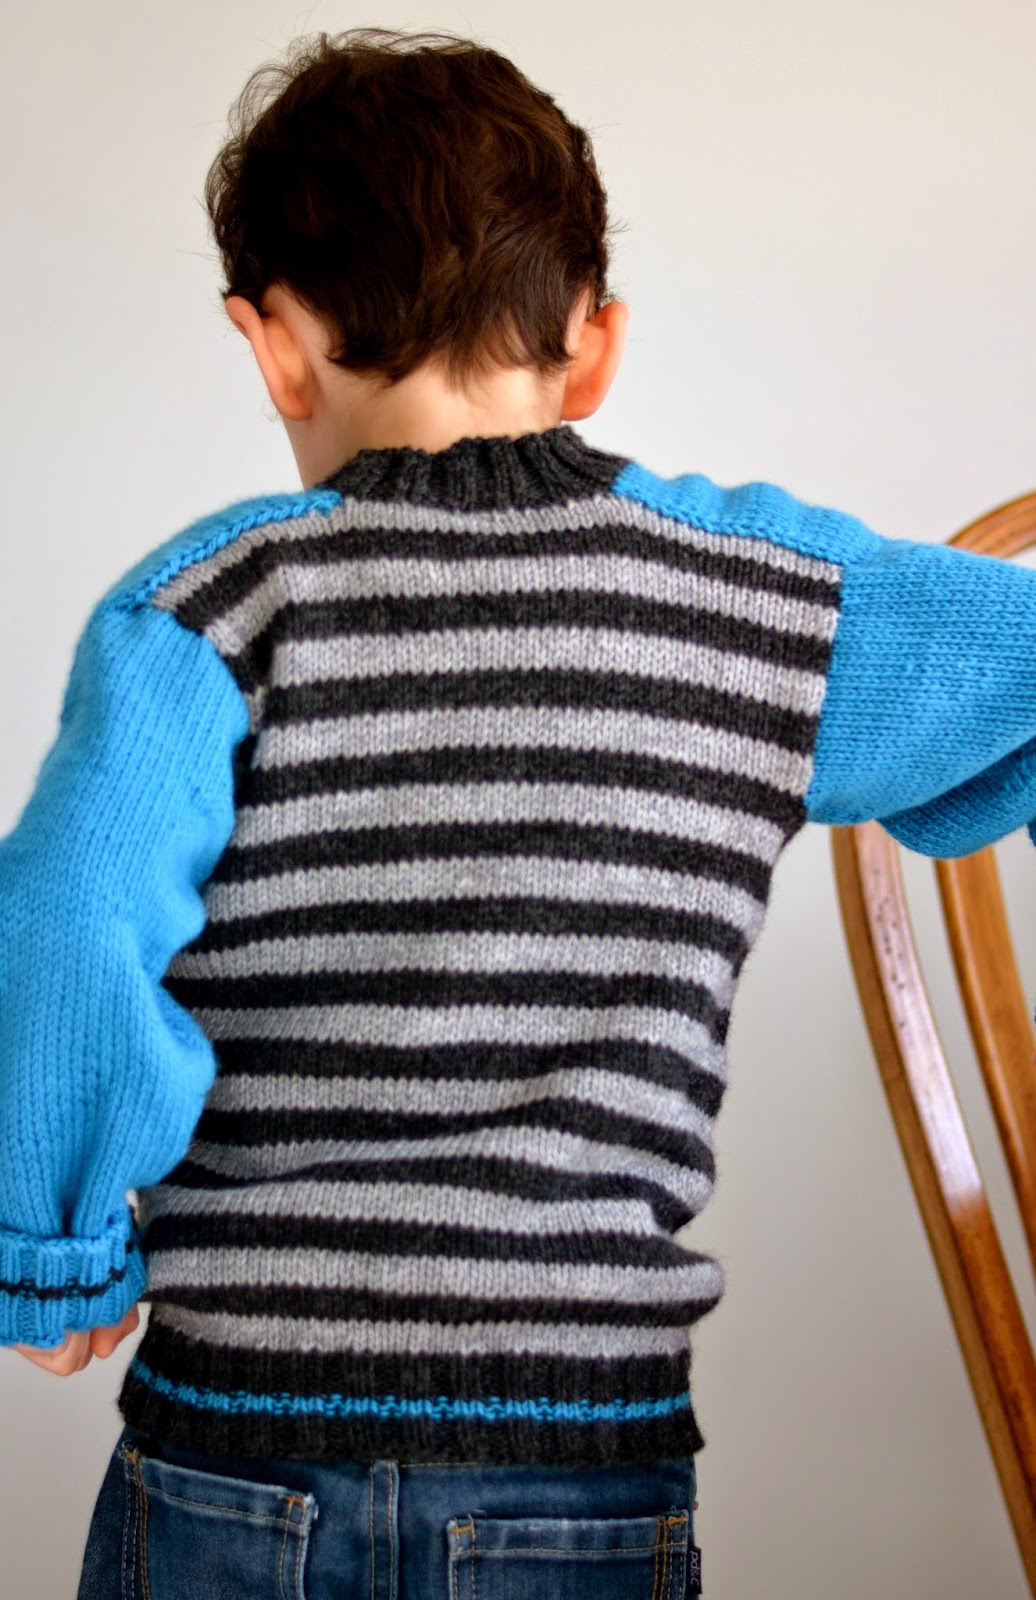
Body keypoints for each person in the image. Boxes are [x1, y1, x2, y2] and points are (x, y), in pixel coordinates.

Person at [2, 26, 1034, 1600]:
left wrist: (51, 1245)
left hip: (239, 1441)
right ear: (593, 346)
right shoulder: (765, 601)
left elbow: (69, 919)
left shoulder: (206, 612)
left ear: (275, 347)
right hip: (580, 1460)